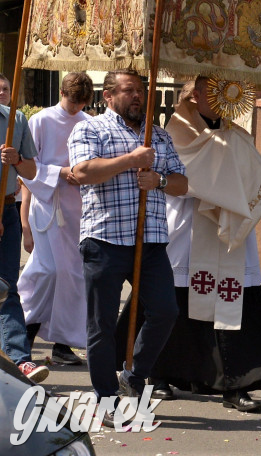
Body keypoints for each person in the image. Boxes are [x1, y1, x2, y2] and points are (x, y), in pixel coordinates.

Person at [126, 77, 261, 412]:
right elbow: (170, 178)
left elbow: (253, 177)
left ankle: (236, 384)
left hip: (229, 229)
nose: (222, 100)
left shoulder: (237, 136)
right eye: (214, 92)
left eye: (228, 93)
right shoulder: (173, 133)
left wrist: (235, 192)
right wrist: (206, 184)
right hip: (187, 228)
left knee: (235, 301)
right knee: (171, 304)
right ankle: (159, 374)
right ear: (196, 95)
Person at [68, 69, 186, 407]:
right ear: (107, 95)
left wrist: (159, 181)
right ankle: (106, 398)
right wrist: (131, 160)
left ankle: (133, 376)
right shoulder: (90, 128)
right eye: (128, 90)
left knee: (165, 311)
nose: (137, 96)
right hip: (104, 239)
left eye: (141, 90)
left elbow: (181, 183)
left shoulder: (158, 136)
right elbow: (82, 172)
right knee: (102, 324)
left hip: (150, 242)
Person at [20, 73, 94, 366]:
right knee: (47, 272)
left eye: (81, 103)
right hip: (48, 207)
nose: (76, 108)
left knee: (73, 276)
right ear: (62, 93)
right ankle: (21, 334)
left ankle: (63, 344)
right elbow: (27, 166)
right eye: (73, 102)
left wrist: (84, 175)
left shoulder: (87, 123)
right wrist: (61, 173)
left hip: (78, 209)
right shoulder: (41, 120)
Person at [0, 74, 46, 382]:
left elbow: (31, 171)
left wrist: (17, 159)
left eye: (5, 88)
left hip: (7, 210)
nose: (1, 92)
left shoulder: (16, 119)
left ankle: (19, 359)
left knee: (6, 287)